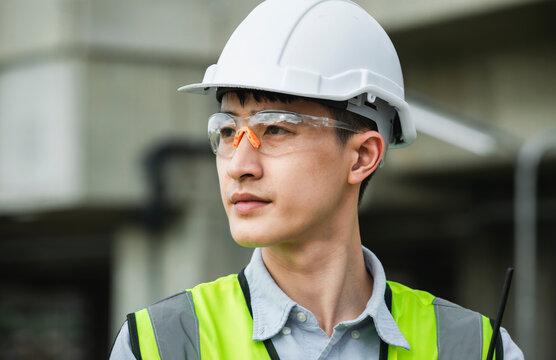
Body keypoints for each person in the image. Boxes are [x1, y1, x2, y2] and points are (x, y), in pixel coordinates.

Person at [110, 0, 524, 359]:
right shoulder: (157, 346)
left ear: (362, 156)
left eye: (275, 129)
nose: (239, 164)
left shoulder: (478, 349)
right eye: (227, 131)